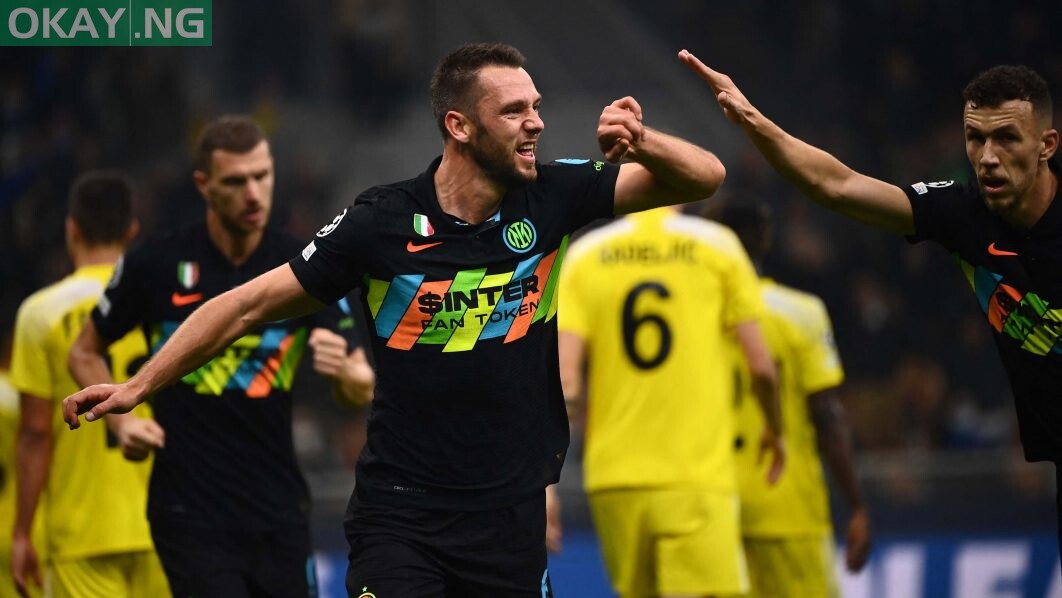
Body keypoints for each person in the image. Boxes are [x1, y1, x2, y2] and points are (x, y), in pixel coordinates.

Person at [63, 42, 727, 596]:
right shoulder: (379, 222)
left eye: (537, 108)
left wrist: (642, 140)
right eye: (515, 110)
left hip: (511, 516)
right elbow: (246, 305)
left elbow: (704, 176)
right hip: (405, 517)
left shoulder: (551, 195)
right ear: (459, 126)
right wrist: (138, 387)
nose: (536, 123)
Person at [676, 54, 1062, 546]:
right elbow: (838, 185)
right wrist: (753, 120)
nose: (987, 156)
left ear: (1047, 144)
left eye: (1006, 138)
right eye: (975, 138)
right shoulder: (963, 212)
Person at [66, 118, 375, 598]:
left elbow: (360, 386)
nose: (254, 193)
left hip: (279, 510)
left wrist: (348, 375)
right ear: (203, 185)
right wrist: (122, 424)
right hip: (189, 513)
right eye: (235, 181)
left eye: (262, 176)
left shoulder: (304, 264)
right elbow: (84, 351)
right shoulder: (155, 262)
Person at [554, 203, 784, 598]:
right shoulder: (718, 247)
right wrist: (775, 429)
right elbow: (761, 367)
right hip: (693, 477)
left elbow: (566, 380)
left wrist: (546, 481)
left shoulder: (585, 254)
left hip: (614, 480)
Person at [9, 172, 169, 598]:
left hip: (83, 528)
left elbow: (36, 432)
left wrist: (22, 532)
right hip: (166, 521)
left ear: (71, 229)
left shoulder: (40, 313)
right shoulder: (163, 304)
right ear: (132, 231)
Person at [706, 198, 871, 598]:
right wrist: (857, 505)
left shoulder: (694, 317)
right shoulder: (801, 313)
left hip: (713, 510)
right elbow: (828, 417)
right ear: (765, 241)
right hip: (788, 508)